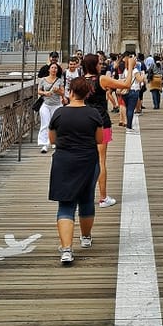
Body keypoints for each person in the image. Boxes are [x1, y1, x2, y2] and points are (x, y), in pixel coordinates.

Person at [48, 76, 103, 265]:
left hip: (64, 161)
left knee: (66, 205)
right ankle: (86, 238)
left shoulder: (59, 114)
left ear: (70, 92)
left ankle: (66, 250)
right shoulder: (94, 114)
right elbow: (99, 139)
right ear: (87, 93)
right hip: (88, 160)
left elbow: (53, 140)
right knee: (87, 198)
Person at [82, 53, 117, 208]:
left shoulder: (80, 81)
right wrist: (130, 67)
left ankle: (82, 196)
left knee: (85, 160)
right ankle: (103, 198)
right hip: (101, 123)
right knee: (101, 161)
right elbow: (126, 84)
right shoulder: (101, 79)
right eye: (99, 63)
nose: (101, 65)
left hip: (84, 124)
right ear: (94, 65)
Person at [37, 61, 64, 153]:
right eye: (52, 68)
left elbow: (63, 93)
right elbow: (39, 91)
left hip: (56, 105)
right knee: (45, 123)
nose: (54, 69)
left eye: (55, 68)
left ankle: (54, 141)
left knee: (55, 124)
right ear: (49, 69)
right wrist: (45, 93)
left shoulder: (59, 80)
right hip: (46, 104)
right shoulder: (43, 80)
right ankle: (44, 144)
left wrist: (58, 91)